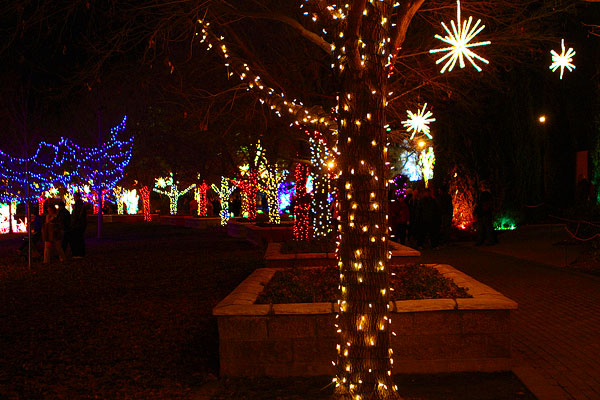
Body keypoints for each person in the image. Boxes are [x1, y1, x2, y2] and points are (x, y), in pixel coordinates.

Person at [70, 192, 88, 258]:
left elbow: (77, 215)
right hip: (80, 224)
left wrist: (74, 223)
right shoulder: (80, 204)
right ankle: (81, 253)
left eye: (74, 197)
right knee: (79, 239)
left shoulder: (78, 205)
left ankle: (79, 253)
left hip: (78, 225)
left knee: (77, 239)